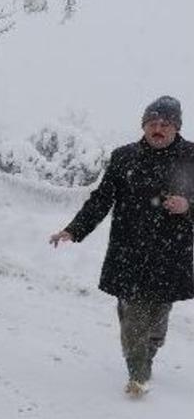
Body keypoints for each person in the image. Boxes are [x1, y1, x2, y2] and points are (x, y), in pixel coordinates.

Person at [50, 95, 194, 397]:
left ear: (176, 127)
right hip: (129, 250)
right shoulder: (123, 157)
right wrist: (73, 230)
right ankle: (138, 373)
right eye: (152, 123)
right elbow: (101, 200)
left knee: (157, 316)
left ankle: (147, 349)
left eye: (165, 124)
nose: (158, 128)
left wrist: (188, 205)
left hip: (172, 253)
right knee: (133, 315)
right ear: (143, 126)